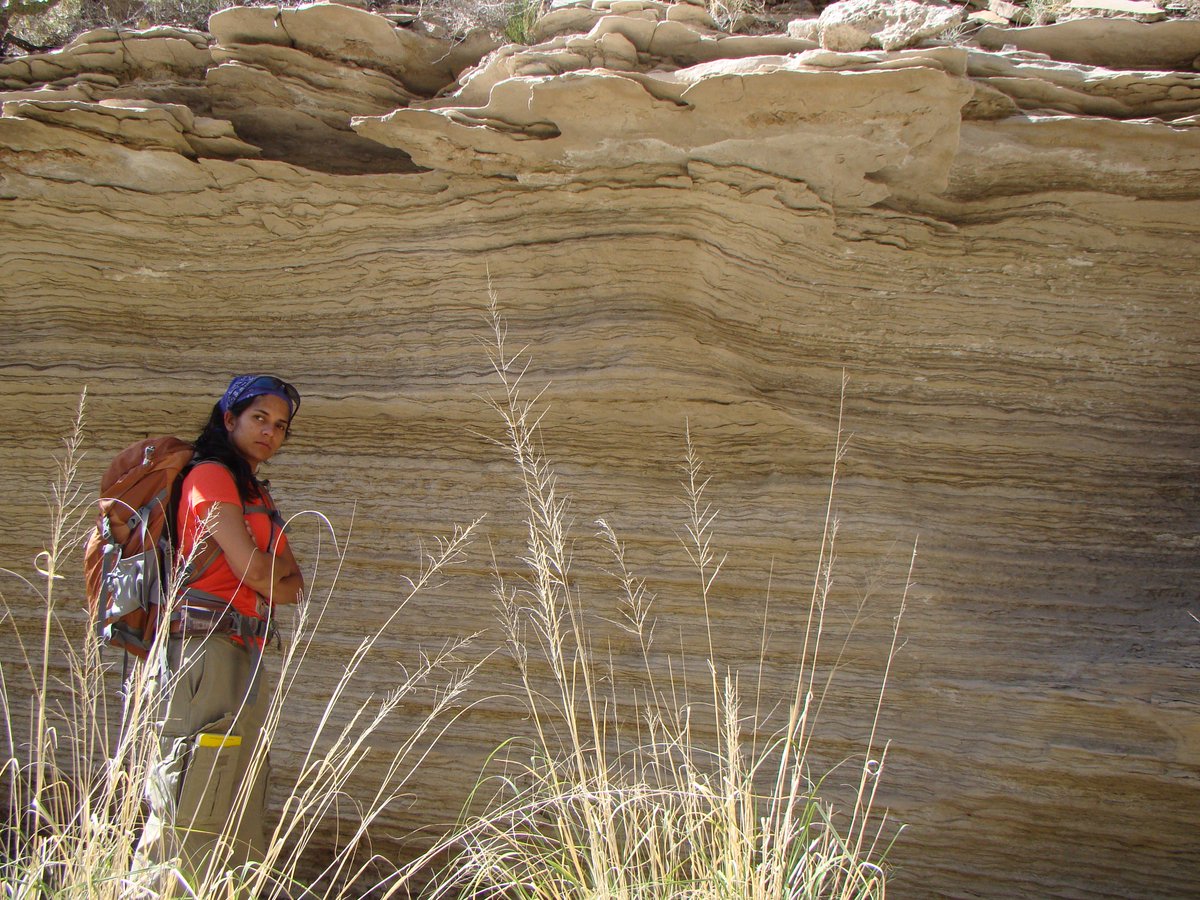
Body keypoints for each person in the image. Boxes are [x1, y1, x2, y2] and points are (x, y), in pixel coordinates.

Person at [136, 374, 304, 886]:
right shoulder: (209, 477)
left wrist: (270, 574)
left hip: (244, 647)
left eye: (280, 426)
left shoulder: (253, 490)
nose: (269, 433)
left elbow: (295, 586)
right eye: (259, 419)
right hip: (203, 651)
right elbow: (261, 574)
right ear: (229, 419)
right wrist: (267, 574)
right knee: (193, 794)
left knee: (238, 791)